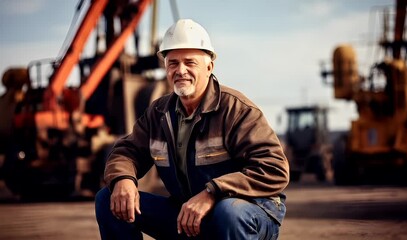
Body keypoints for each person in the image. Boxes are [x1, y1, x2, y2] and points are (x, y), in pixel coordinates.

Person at [95, 19, 290, 240]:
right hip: (189, 214)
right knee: (108, 199)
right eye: (173, 63)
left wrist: (212, 192)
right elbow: (126, 152)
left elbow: (274, 169)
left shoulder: (236, 110)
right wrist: (123, 179)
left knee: (228, 212)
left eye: (190, 62)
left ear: (209, 67)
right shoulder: (159, 113)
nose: (181, 70)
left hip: (250, 214)